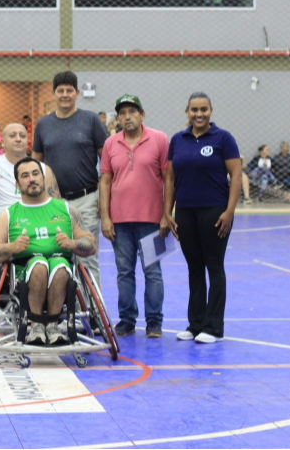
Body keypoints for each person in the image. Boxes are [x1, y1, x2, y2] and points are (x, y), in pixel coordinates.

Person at [0, 157, 97, 346]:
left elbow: (90, 244)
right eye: (25, 176)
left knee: (60, 266)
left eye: (36, 174)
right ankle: (36, 326)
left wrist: (72, 244)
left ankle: (52, 327)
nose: (32, 179)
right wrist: (11, 247)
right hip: (25, 272)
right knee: (39, 264)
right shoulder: (9, 214)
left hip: (61, 267)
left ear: (44, 179)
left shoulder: (66, 209)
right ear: (18, 184)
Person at [162, 92, 242, 344]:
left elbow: (236, 175)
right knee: (194, 268)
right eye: (194, 110)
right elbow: (170, 178)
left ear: (211, 111)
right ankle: (195, 324)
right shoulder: (177, 140)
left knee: (214, 266)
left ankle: (213, 327)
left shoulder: (223, 138)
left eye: (204, 109)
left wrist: (229, 212)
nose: (199, 114)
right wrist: (168, 211)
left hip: (214, 212)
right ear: (187, 112)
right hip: (185, 212)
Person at [99, 95, 168, 338]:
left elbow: (169, 179)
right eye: (122, 113)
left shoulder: (159, 140)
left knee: (153, 271)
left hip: (152, 220)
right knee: (124, 271)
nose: (127, 117)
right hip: (120, 221)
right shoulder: (110, 144)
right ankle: (127, 319)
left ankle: (154, 322)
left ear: (142, 114)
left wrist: (166, 215)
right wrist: (105, 217)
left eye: (132, 111)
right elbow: (105, 180)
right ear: (117, 118)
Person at [32, 71, 107, 287]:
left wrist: (103, 200)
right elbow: (36, 164)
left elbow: (107, 163)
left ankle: (93, 315)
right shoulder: (43, 124)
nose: (65, 95)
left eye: (69, 91)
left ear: (77, 93)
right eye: (60, 91)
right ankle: (61, 312)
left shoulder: (91, 120)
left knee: (86, 258)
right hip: (54, 204)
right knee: (55, 257)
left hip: (86, 199)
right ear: (53, 94)